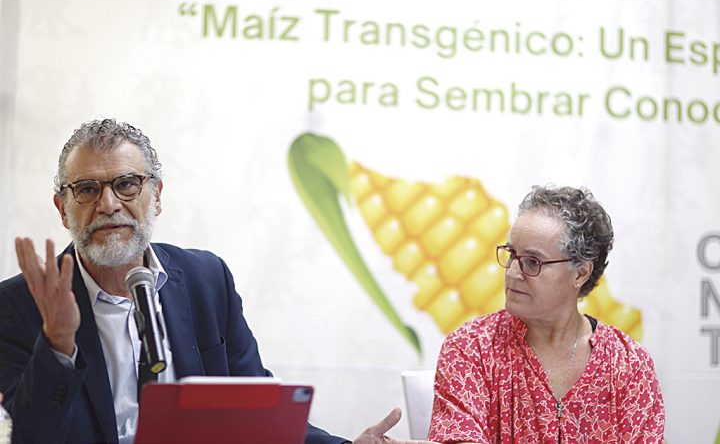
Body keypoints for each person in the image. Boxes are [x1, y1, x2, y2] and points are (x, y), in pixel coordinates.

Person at [0, 119, 434, 444]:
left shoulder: (206, 281)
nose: (109, 203)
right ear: (62, 208)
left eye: (127, 184)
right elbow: (30, 435)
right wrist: (58, 344)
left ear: (157, 196)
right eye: (87, 189)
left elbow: (257, 409)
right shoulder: (18, 305)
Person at [427, 186, 665, 443]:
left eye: (533, 262)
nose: (513, 273)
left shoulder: (628, 364)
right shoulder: (472, 347)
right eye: (512, 254)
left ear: (580, 273)